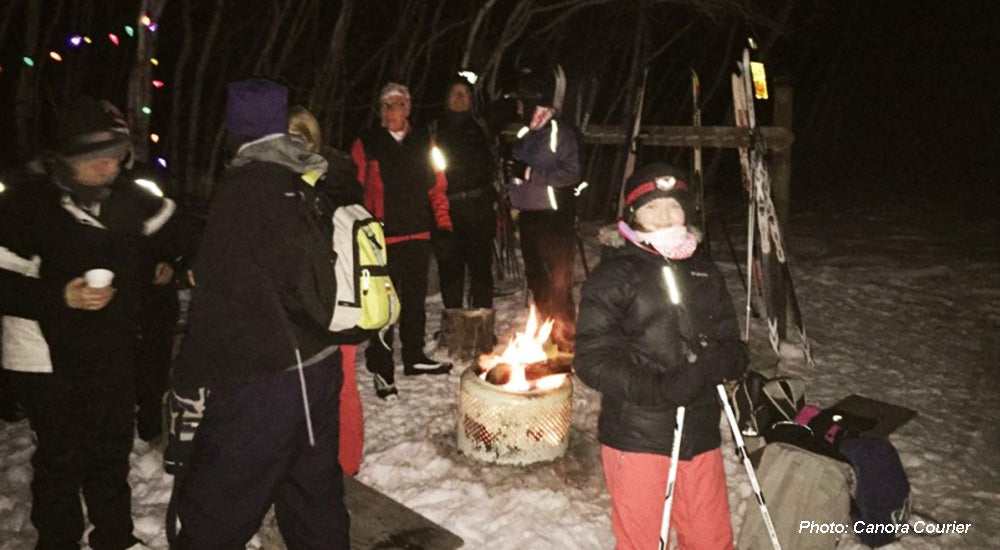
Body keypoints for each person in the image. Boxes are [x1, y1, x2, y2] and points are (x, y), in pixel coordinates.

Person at [168, 78, 349, 549]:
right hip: (321, 365)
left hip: (265, 376)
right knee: (313, 496)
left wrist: (187, 379)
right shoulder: (311, 176)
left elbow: (214, 302)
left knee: (219, 507)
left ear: (235, 132)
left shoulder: (243, 191)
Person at [0, 95, 180, 550]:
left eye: (116, 156)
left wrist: (166, 262)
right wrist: (60, 295)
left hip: (108, 346)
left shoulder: (125, 196)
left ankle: (114, 537)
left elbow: (170, 231)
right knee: (63, 457)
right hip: (42, 352)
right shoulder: (27, 205)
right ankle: (58, 540)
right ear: (66, 160)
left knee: (110, 449)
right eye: (95, 159)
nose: (108, 167)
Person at [573, 163, 747, 550]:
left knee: (711, 540)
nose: (665, 216)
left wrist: (728, 361)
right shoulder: (614, 275)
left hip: (699, 432)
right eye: (652, 208)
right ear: (633, 214)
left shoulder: (704, 271)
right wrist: (660, 388)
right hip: (639, 434)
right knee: (643, 542)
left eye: (673, 206)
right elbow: (591, 358)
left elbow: (731, 340)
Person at [350, 82, 453, 400]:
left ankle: (414, 357)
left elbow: (437, 184)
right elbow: (353, 190)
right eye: (386, 105)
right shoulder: (366, 143)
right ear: (380, 111)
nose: (391, 111)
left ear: (408, 108)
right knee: (382, 309)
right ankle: (382, 367)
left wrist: (444, 224)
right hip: (381, 238)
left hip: (418, 233)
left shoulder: (425, 140)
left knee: (414, 302)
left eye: (398, 104)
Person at [289, 104, 365, 475]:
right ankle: (339, 461)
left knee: (338, 382)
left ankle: (344, 463)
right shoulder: (339, 177)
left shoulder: (315, 184)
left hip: (330, 298)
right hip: (341, 297)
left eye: (297, 138)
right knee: (337, 382)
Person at [506, 68, 580, 352]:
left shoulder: (561, 132)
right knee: (537, 280)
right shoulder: (527, 133)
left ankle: (566, 346)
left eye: (522, 102)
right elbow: (519, 172)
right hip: (529, 216)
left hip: (554, 218)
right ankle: (545, 337)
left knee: (557, 282)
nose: (518, 107)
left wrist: (528, 173)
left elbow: (571, 173)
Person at [430, 73, 497, 310]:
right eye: (455, 93)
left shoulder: (482, 125)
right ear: (446, 98)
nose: (460, 98)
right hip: (446, 211)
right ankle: (454, 326)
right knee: (450, 273)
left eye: (465, 94)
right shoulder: (433, 130)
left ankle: (483, 326)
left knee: (481, 271)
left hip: (480, 209)